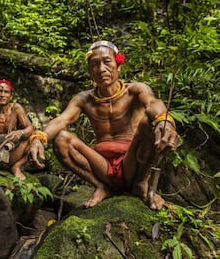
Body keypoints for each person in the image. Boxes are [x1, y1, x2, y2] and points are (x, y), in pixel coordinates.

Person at [29, 40, 180, 210]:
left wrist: (165, 122)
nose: (101, 69)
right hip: (102, 167)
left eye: (107, 62)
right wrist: (39, 137)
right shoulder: (84, 99)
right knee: (61, 139)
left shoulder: (135, 90)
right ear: (90, 71)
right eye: (95, 64)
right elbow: (61, 120)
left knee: (148, 123)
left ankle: (141, 184)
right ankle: (101, 186)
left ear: (118, 65)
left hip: (132, 163)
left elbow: (152, 103)